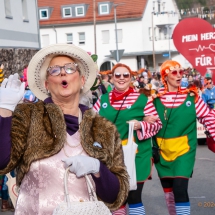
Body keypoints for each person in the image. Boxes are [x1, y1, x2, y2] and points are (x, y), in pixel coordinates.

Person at [0, 44, 129, 214]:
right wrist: (5, 109)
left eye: (70, 68)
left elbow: (117, 195)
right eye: (54, 70)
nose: (62, 73)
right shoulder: (28, 117)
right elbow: (2, 162)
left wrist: (98, 169)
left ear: (82, 80)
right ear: (47, 84)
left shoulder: (104, 129)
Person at [145, 60, 215, 215]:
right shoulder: (154, 100)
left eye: (181, 72)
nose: (179, 75)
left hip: (185, 150)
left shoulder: (192, 98)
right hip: (162, 152)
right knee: (169, 194)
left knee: (180, 188)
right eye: (174, 72)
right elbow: (145, 123)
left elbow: (209, 117)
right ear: (165, 76)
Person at [94, 63, 162, 215]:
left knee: (133, 197)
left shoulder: (142, 99)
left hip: (136, 155)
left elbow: (158, 124)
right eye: (118, 75)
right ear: (111, 78)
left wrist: (141, 125)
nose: (122, 78)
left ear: (131, 78)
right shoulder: (103, 99)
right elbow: (91, 124)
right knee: (117, 198)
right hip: (112, 156)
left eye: (126, 75)